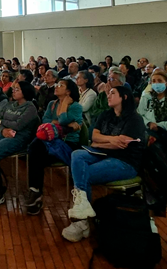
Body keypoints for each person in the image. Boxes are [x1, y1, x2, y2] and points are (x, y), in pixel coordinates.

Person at [63, 86, 145, 243]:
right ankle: (84, 206)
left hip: (125, 161)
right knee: (77, 155)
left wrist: (103, 141)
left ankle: (82, 222)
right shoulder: (106, 114)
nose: (108, 95)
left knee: (83, 173)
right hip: (102, 154)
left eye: (113, 93)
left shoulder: (134, 119)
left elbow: (121, 145)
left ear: (124, 97)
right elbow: (94, 137)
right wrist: (112, 139)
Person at [25, 79, 83, 215]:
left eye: (61, 85)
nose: (56, 87)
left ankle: (35, 192)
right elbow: (44, 122)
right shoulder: (52, 104)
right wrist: (62, 124)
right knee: (36, 148)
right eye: (56, 85)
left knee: (36, 153)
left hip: (68, 144)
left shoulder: (75, 106)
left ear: (69, 91)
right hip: (49, 142)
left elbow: (61, 121)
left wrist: (64, 106)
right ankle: (35, 191)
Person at [137, 71, 167, 151]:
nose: (156, 84)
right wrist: (149, 123)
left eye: (159, 81)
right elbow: (139, 115)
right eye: (154, 81)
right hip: (147, 130)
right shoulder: (146, 97)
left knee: (152, 146)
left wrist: (158, 126)